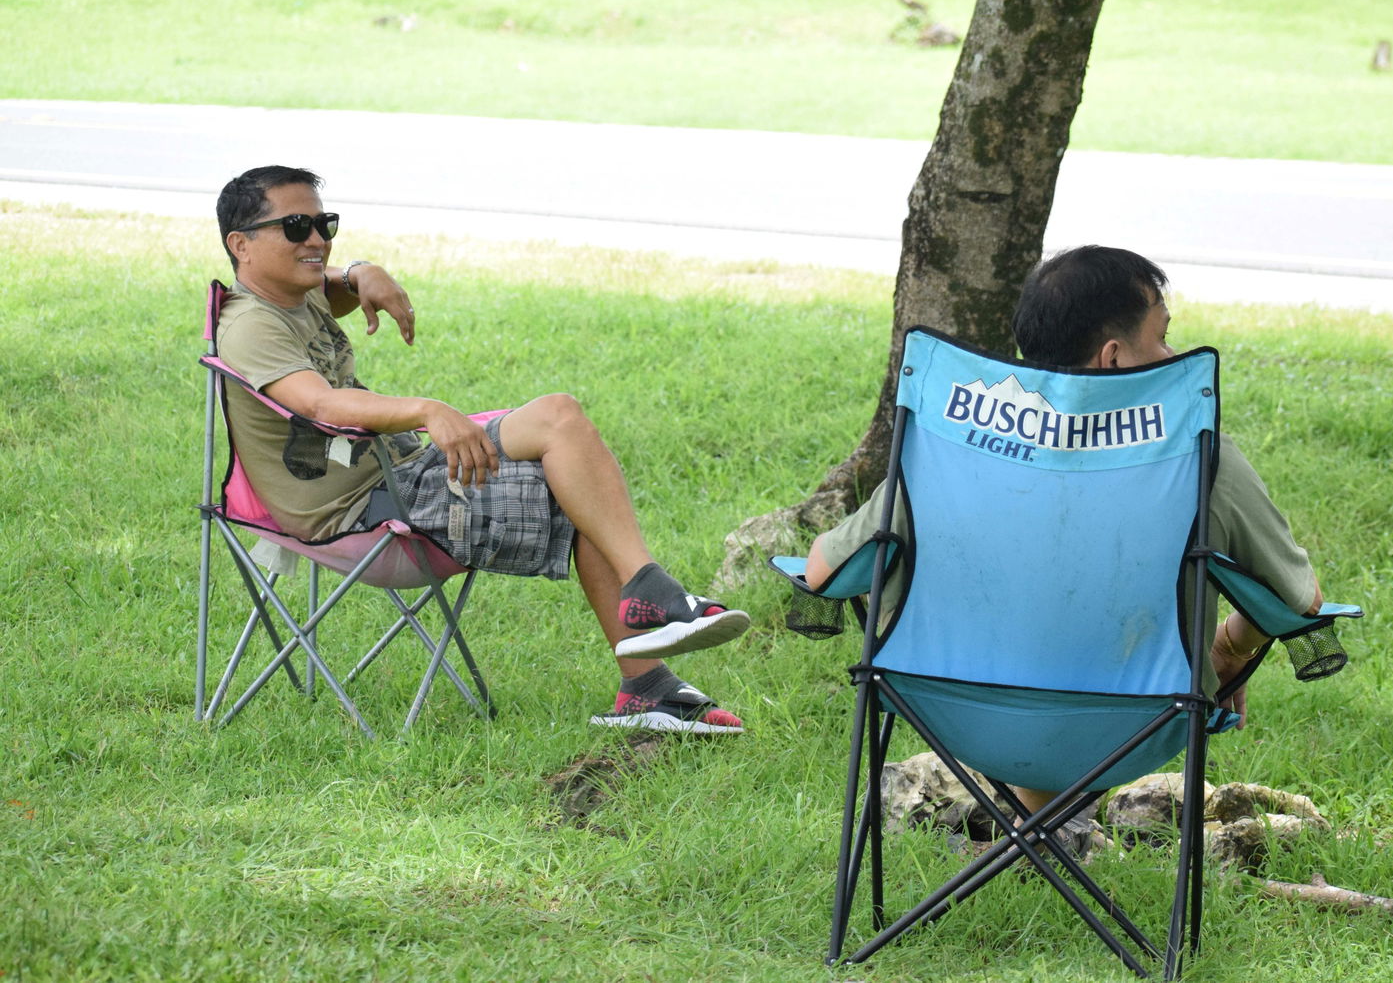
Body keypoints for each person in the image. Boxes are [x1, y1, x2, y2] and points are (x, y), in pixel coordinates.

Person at [214, 165, 749, 734]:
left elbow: (334, 287)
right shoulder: (251, 326)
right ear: (241, 245)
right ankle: (649, 666)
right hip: (362, 510)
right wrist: (427, 410)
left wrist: (363, 272)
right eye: (296, 226)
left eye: (326, 223)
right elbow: (319, 405)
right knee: (573, 474)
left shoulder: (297, 293)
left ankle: (649, 623)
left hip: (401, 473)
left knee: (562, 422)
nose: (317, 240)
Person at [805, 244, 1324, 810]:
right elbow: (1297, 599)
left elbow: (822, 572)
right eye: (1162, 335)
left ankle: (1033, 838)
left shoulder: (953, 453)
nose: (1172, 352)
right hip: (1138, 723)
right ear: (1115, 358)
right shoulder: (1202, 462)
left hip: (951, 713)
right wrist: (1230, 648)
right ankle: (1043, 837)